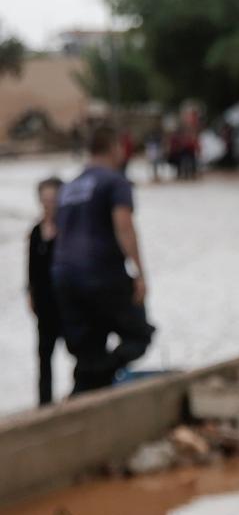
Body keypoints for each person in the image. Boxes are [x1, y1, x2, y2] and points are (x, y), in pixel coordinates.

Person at [53, 125, 156, 395]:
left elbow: (58, 232)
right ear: (114, 148)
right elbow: (124, 226)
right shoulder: (114, 182)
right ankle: (100, 374)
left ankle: (85, 392)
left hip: (64, 276)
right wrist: (140, 273)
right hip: (101, 272)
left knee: (88, 347)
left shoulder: (68, 187)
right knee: (139, 334)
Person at [26, 177, 63, 405]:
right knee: (44, 356)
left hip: (67, 303)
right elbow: (31, 267)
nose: (48, 203)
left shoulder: (69, 230)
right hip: (44, 303)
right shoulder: (36, 231)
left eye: (53, 198)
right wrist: (30, 293)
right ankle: (44, 403)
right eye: (44, 199)